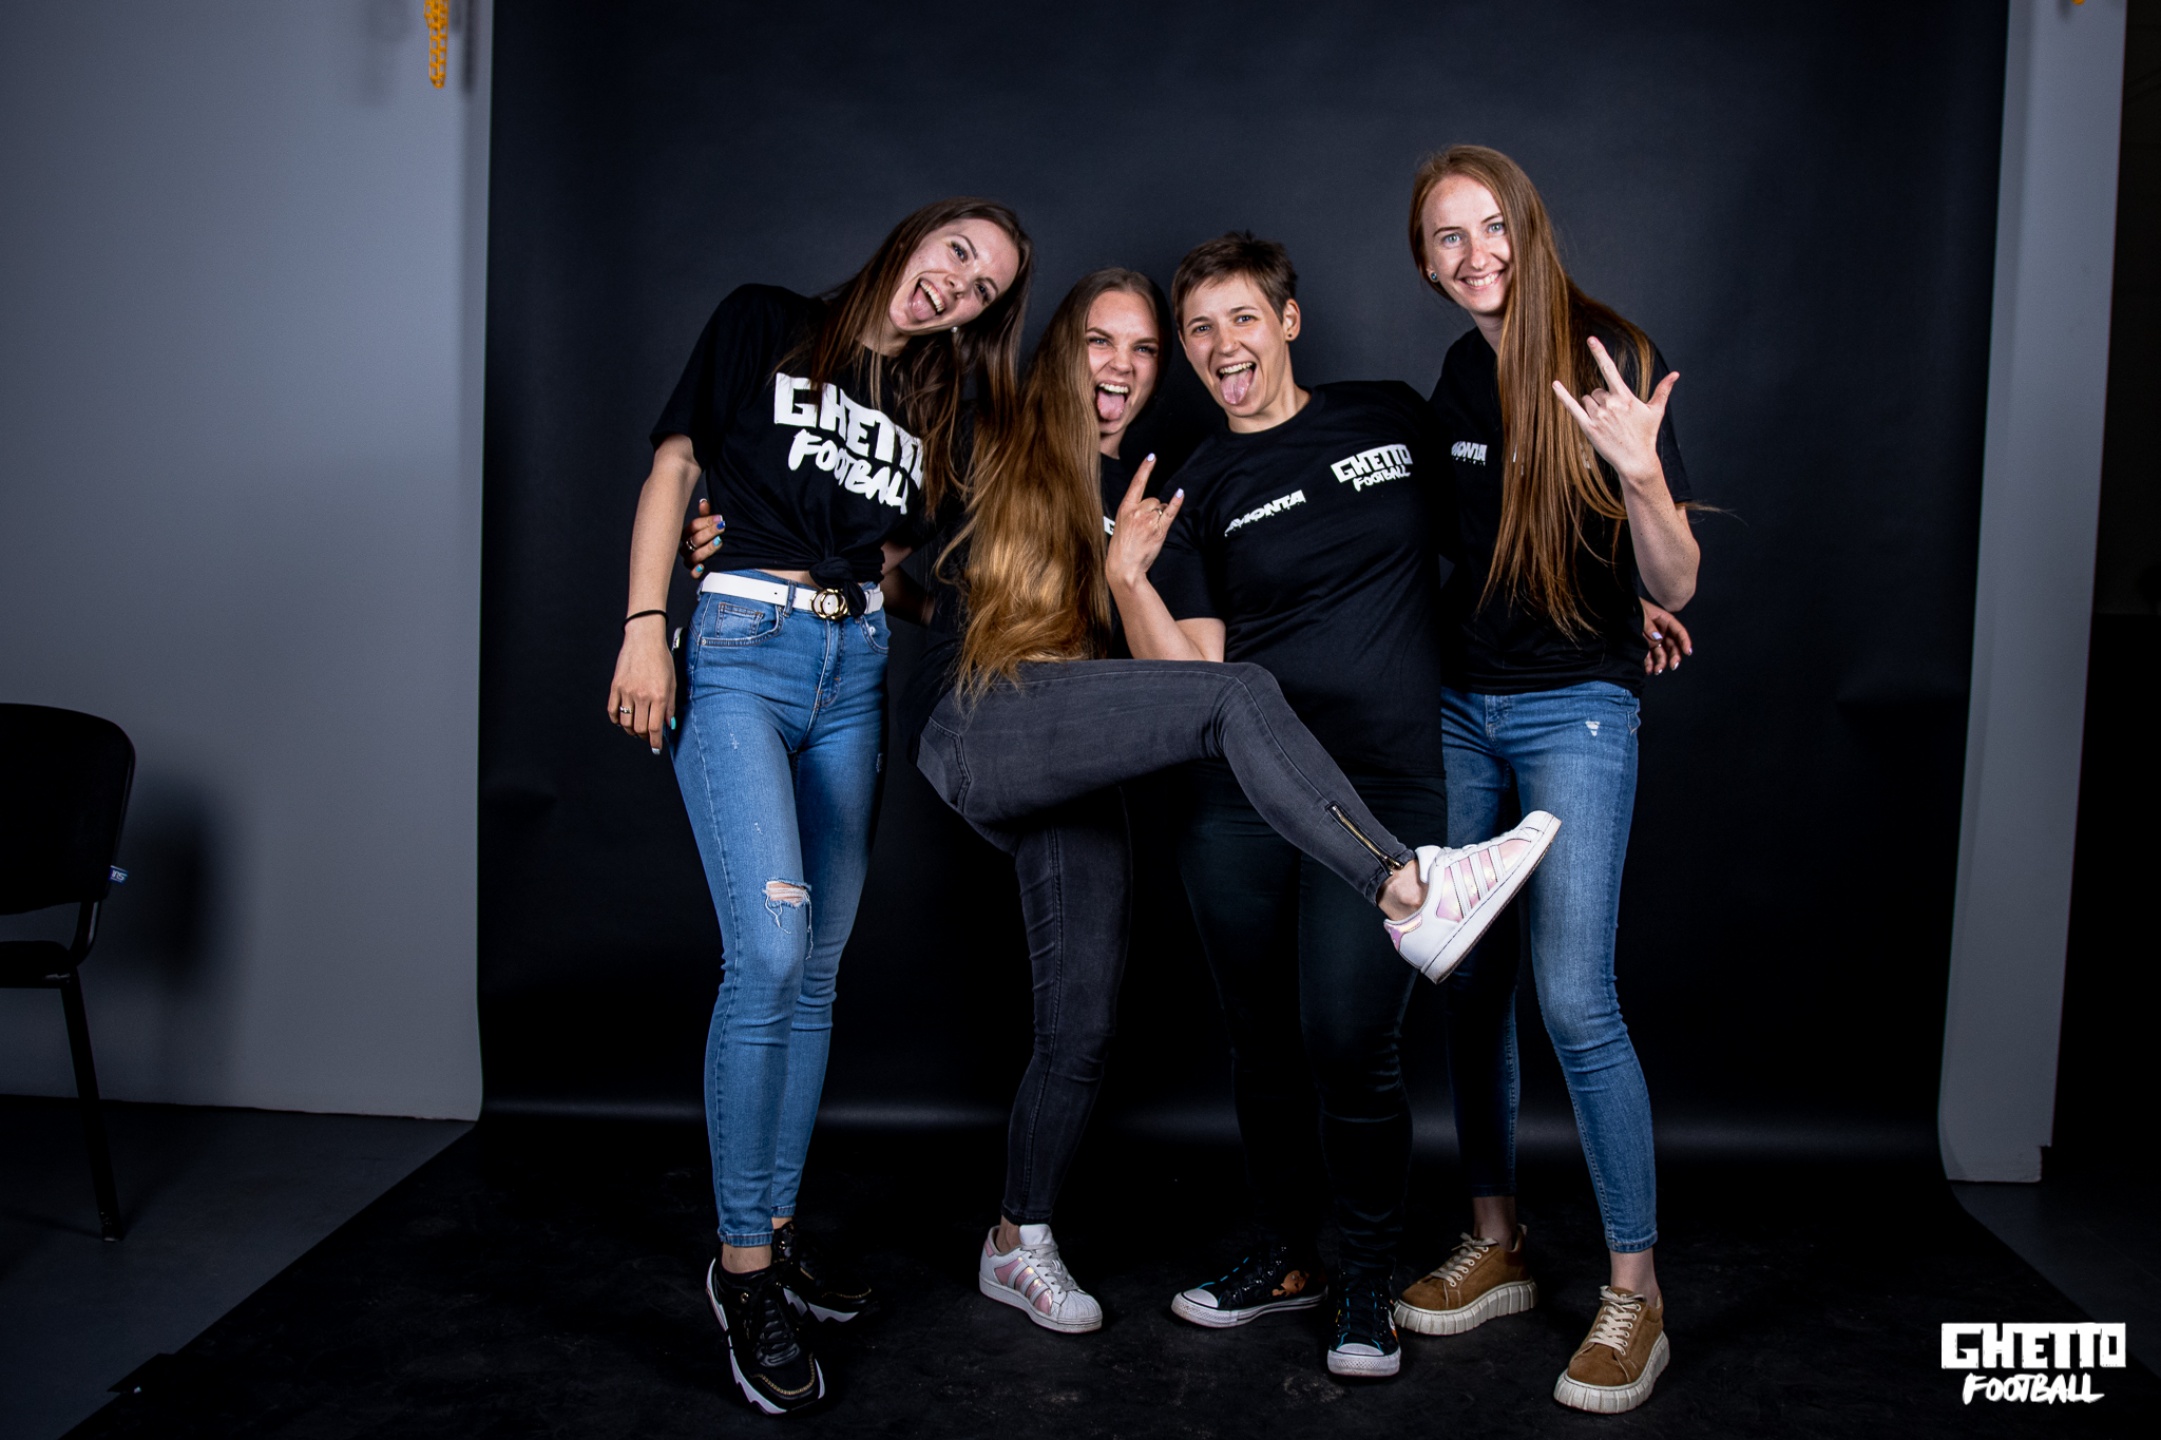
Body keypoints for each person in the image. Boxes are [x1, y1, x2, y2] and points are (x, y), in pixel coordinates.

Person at [895, 261, 1558, 1348]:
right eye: (1103, 341)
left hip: (1090, 756)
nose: (1124, 365)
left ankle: (1019, 1237)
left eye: (1143, 348)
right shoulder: (1004, 436)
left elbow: (1486, 517)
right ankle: (1409, 886)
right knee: (1238, 695)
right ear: (1060, 352)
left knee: (1086, 1023)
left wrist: (1598, 597)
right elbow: (887, 540)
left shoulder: (1157, 482)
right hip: (992, 720)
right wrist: (776, 555)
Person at [607, 196, 1031, 1416]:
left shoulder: (932, 408)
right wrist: (645, 628)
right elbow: (677, 465)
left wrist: (997, 614)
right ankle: (740, 1270)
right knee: (770, 950)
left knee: (818, 970)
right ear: (917, 235)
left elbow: (888, 570)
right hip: (740, 647)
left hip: (852, 676)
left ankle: (780, 1232)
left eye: (985, 289)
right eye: (958, 253)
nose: (959, 286)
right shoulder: (767, 321)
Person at [1395, 144, 1700, 1416]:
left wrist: (1641, 476)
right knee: (1468, 983)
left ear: (1528, 230)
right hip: (1461, 712)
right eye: (1447, 238)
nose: (1476, 256)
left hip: (1574, 714)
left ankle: (1636, 1295)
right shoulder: (1457, 376)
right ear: (1426, 264)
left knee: (1574, 999)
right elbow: (1457, 558)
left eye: (1491, 228)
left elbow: (1677, 579)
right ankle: (1500, 1243)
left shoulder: (1608, 353)